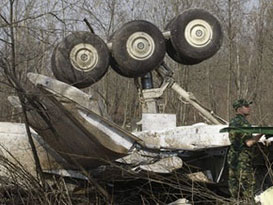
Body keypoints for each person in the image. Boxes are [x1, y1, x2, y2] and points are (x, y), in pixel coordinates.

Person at [228, 99, 263, 200]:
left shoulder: (233, 121)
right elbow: (248, 142)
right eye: (246, 106)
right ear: (239, 109)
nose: (249, 108)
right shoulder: (242, 123)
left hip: (233, 159)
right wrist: (261, 134)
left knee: (235, 191)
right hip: (242, 160)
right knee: (247, 188)